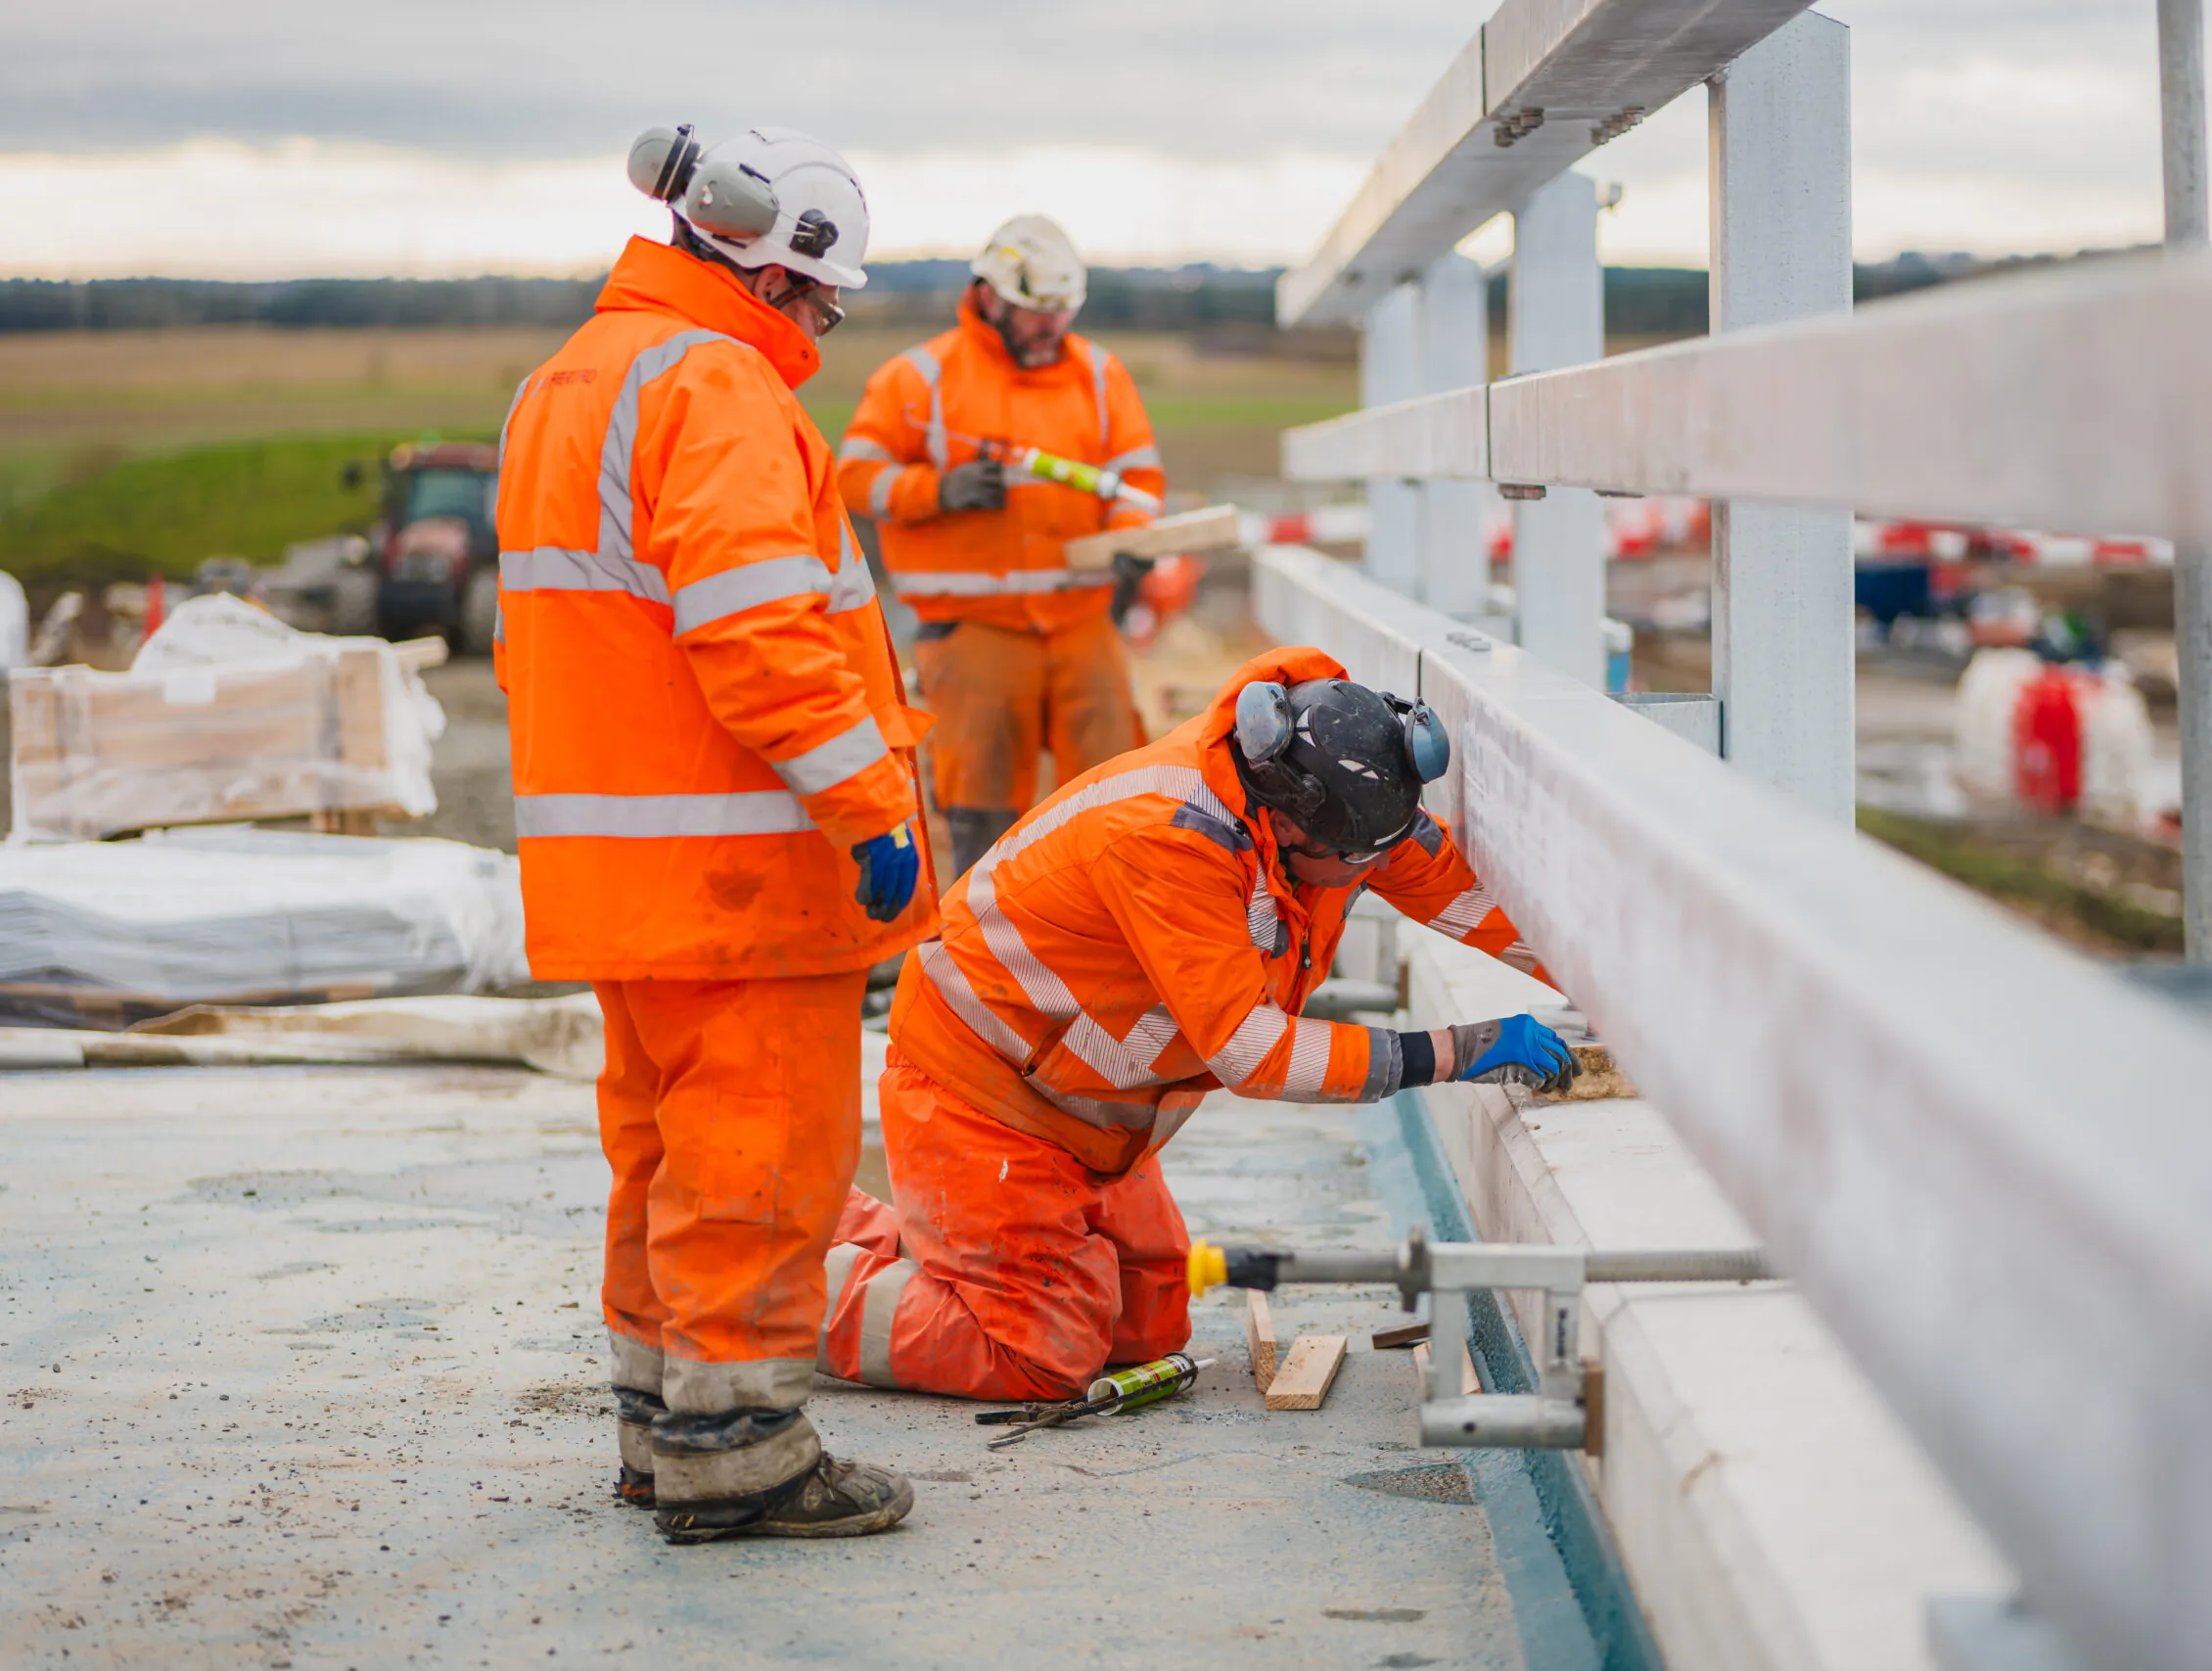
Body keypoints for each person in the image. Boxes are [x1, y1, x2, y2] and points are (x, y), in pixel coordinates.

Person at [494, 123, 935, 1545]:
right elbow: (756, 632)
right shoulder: (717, 385)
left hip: (629, 873)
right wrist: (870, 809)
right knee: (761, 1159)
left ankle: (662, 1426)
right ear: (768, 267)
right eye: (819, 298)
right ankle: (739, 1458)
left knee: (664, 1156)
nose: (823, 325)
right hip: (741, 872)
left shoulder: (563, 383)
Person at [817, 646, 1580, 1401]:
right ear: (1286, 824)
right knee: (1043, 1351)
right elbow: (1255, 1054)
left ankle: (848, 1237)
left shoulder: (1328, 785)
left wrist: (1602, 987)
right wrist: (1457, 1051)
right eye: (1356, 861)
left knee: (1147, 1325)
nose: (1370, 873)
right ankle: (775, 1289)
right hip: (982, 1097)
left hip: (1088, 1114)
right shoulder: (1171, 840)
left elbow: (1459, 894)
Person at [836, 213, 1164, 880]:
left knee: (1122, 795)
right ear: (987, 295)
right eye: (1036, 312)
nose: (1052, 327)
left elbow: (1137, 482)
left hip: (1080, 623)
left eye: (1063, 311)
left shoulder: (1100, 376)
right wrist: (938, 490)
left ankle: (1113, 948)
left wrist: (1132, 538)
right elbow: (855, 477)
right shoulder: (917, 379)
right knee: (978, 806)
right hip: (973, 631)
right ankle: (975, 956)